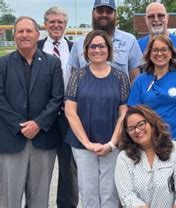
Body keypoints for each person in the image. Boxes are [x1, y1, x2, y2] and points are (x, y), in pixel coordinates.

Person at [0, 16, 64, 207]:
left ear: (38, 34)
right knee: (10, 198)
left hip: (43, 138)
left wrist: (38, 123)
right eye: (20, 31)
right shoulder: (2, 63)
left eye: (29, 31)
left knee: (39, 198)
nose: (24, 35)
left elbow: (57, 97)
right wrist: (19, 125)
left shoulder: (52, 63)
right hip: (11, 138)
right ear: (14, 35)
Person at [64, 30, 129, 208]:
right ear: (86, 50)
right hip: (83, 145)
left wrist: (112, 143)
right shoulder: (78, 76)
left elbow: (123, 113)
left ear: (108, 49)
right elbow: (70, 111)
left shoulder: (120, 78)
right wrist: (87, 143)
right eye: (92, 46)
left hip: (112, 144)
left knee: (110, 193)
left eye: (101, 46)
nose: (97, 50)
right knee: (88, 192)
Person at [36, 6, 78, 207]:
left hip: (68, 116)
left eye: (60, 22)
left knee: (68, 168)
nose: (56, 25)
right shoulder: (35, 47)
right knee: (39, 167)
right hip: (42, 116)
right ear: (45, 24)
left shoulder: (75, 48)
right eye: (52, 21)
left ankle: (67, 204)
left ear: (65, 25)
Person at [115, 105, 176, 208]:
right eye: (131, 129)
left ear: (152, 122)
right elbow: (127, 196)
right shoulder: (124, 158)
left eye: (141, 124)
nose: (137, 130)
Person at [128, 34, 176, 147]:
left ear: (171, 53)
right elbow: (133, 115)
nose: (159, 53)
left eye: (164, 50)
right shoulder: (140, 81)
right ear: (149, 55)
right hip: (150, 144)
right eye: (155, 50)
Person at [68, 0, 142, 82]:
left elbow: (136, 80)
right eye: (100, 11)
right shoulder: (79, 43)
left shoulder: (130, 41)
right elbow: (74, 80)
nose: (104, 14)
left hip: (121, 94)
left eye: (109, 11)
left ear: (115, 14)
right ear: (93, 13)